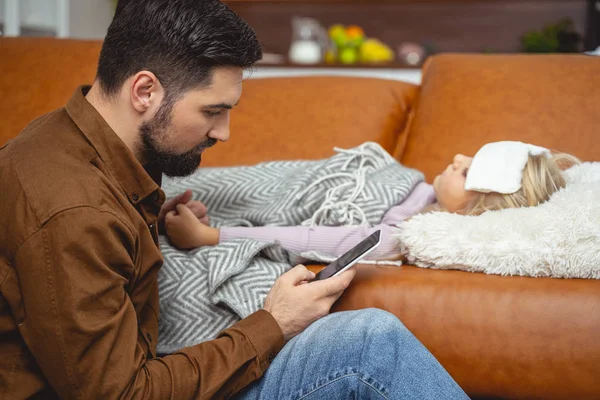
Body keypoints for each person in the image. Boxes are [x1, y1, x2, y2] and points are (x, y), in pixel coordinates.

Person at [0, 0, 469, 399]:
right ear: (144, 90)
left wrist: (152, 221)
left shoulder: (62, 142)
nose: (223, 133)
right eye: (213, 111)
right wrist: (273, 322)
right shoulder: (76, 212)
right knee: (370, 346)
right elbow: (124, 393)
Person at [165, 143, 579, 260]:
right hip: (311, 181)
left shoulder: (404, 235)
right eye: (468, 156)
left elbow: (324, 236)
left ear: (481, 209)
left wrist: (213, 234)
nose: (456, 158)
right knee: (206, 185)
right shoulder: (414, 189)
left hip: (264, 216)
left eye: (468, 172)